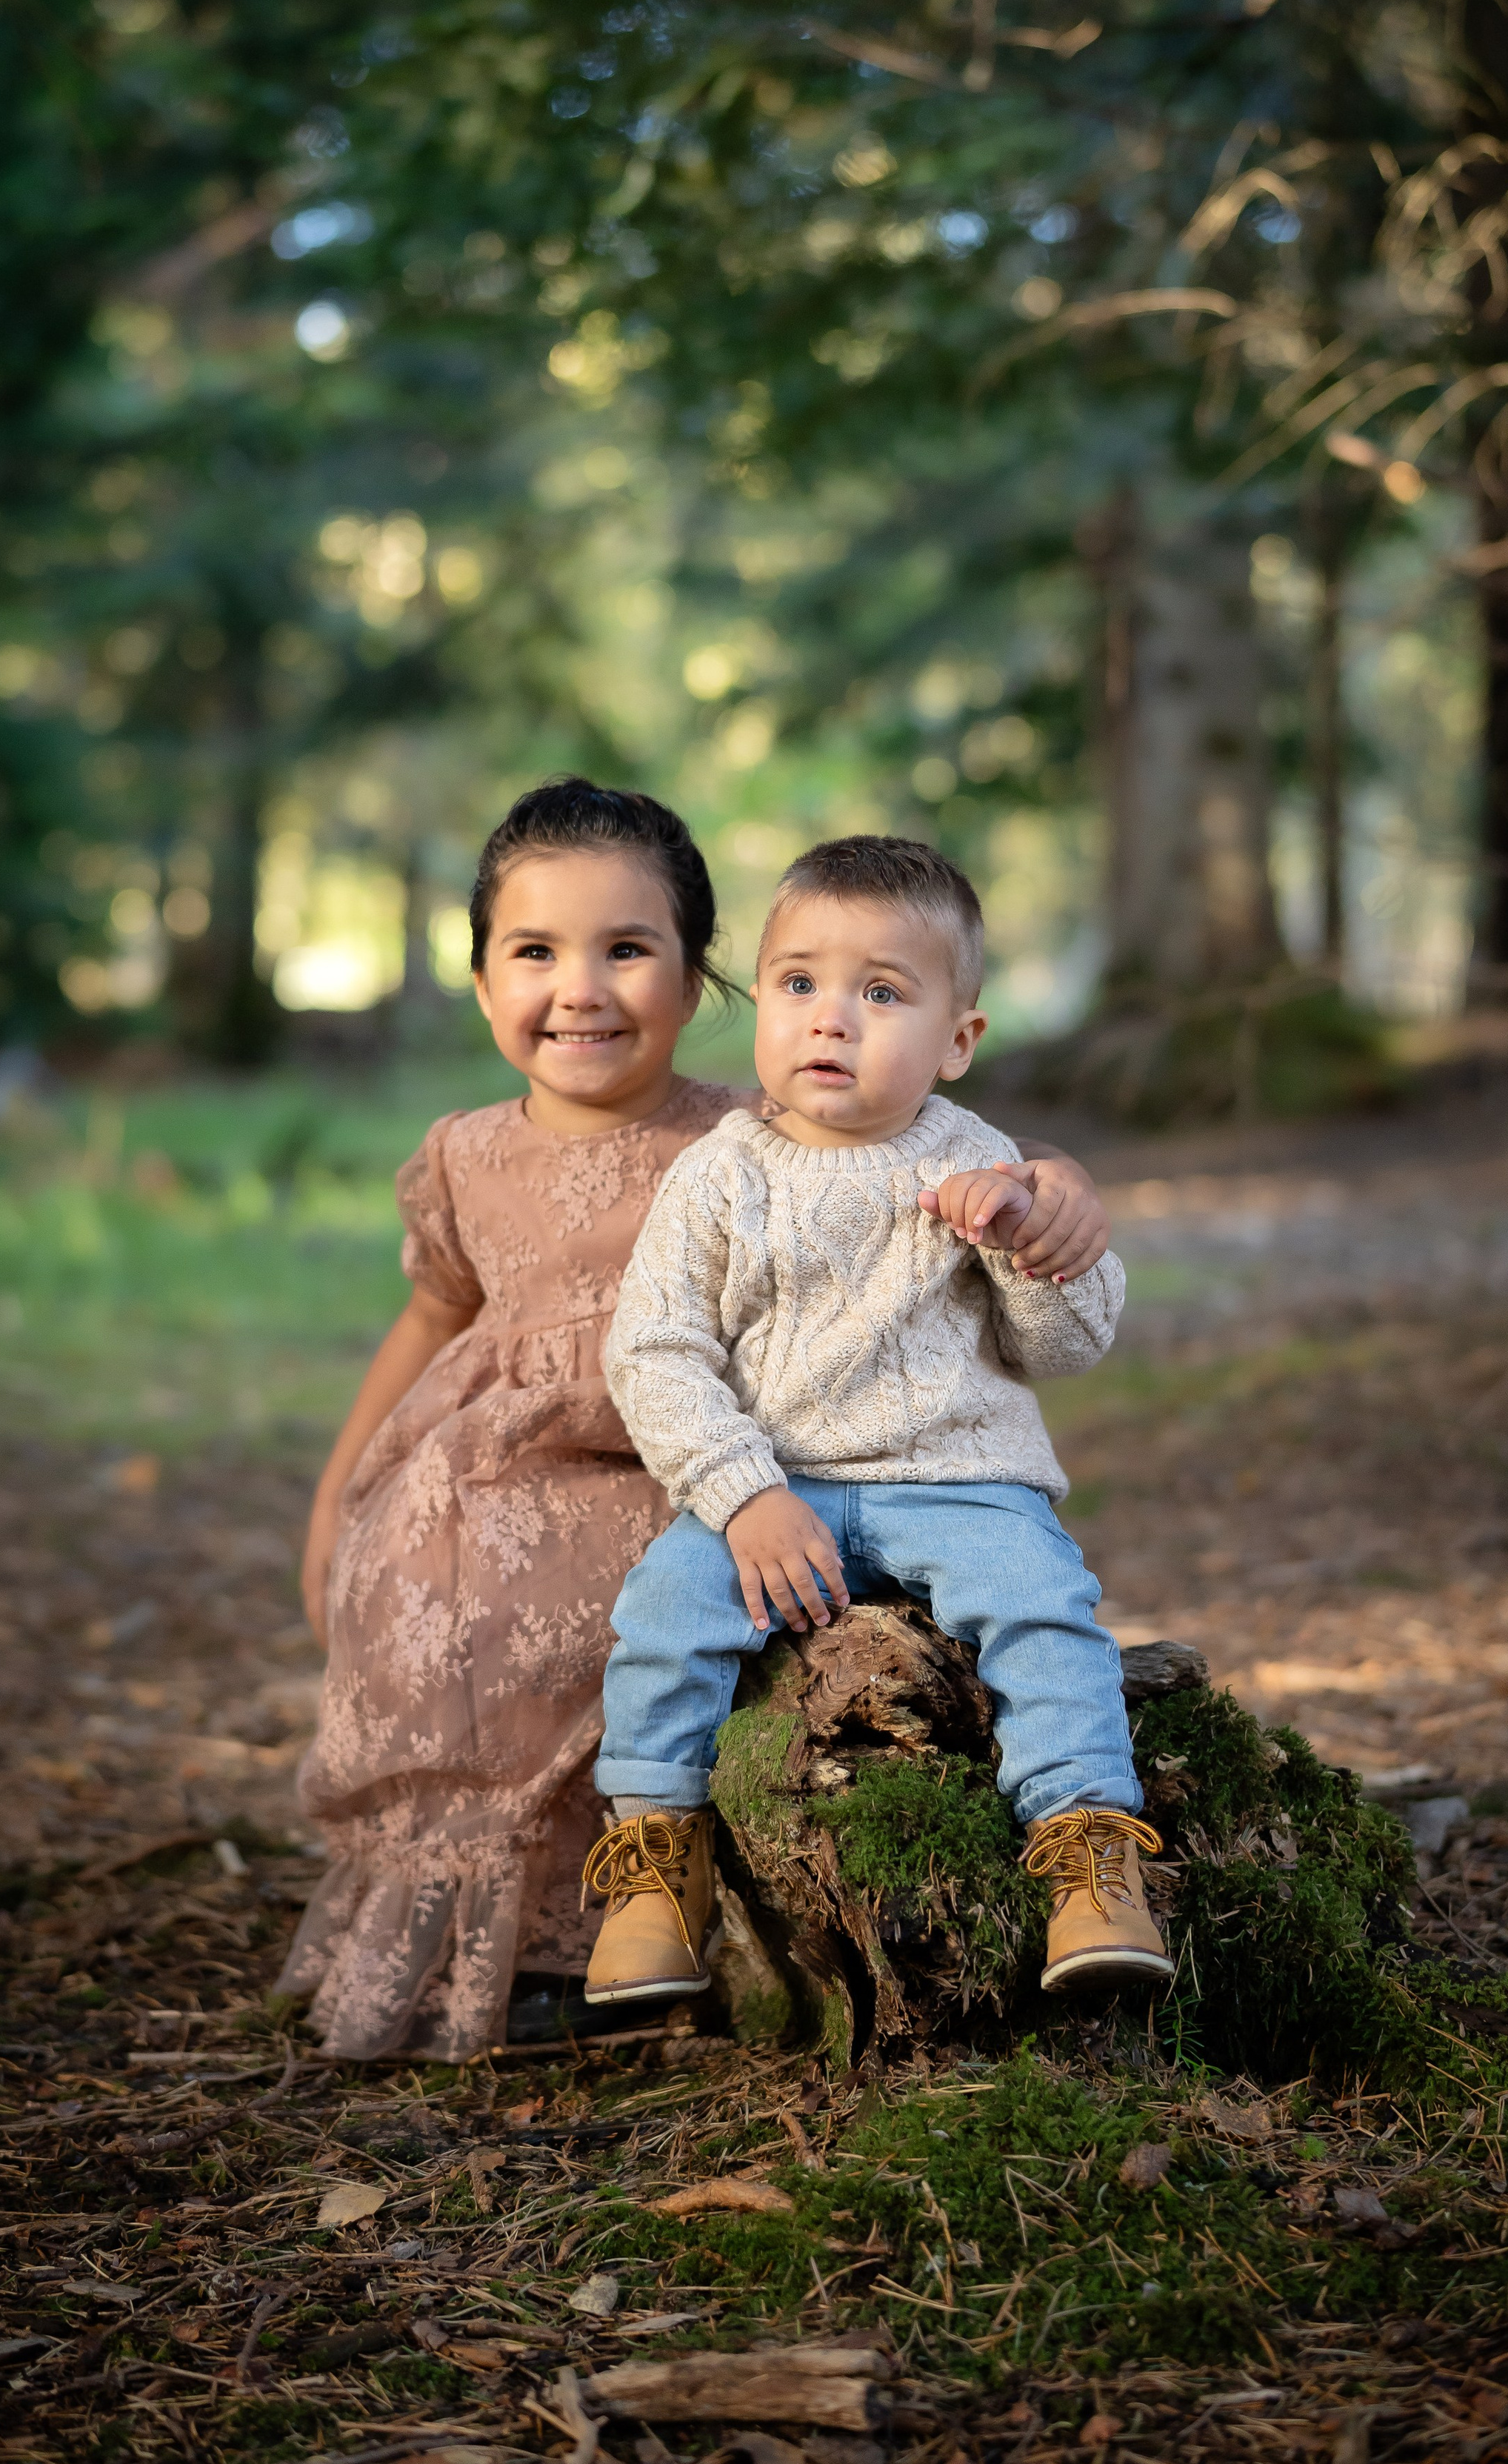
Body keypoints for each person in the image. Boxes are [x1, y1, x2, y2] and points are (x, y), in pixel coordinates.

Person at [278, 780, 1111, 2062]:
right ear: (481, 975)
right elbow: (432, 1317)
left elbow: (921, 1154)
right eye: (535, 953)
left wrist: (1054, 1189)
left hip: (696, 1464)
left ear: (699, 975)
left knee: (632, 1618)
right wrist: (341, 1496)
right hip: (494, 1476)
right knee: (453, 1638)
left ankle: (689, 1927)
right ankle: (500, 1957)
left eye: (627, 950)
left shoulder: (755, 1127)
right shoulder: (462, 1153)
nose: (583, 989)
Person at [586, 833, 1169, 2013]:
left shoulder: (984, 1161)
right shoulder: (719, 1175)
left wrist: (1024, 1247)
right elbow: (653, 1351)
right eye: (798, 983)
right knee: (663, 1611)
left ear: (960, 1040)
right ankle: (657, 1863)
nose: (830, 1020)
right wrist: (740, 1494)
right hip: (771, 1489)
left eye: (882, 992)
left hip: (963, 1483)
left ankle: (1089, 1851)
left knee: (1043, 1610)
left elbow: (1067, 1348)